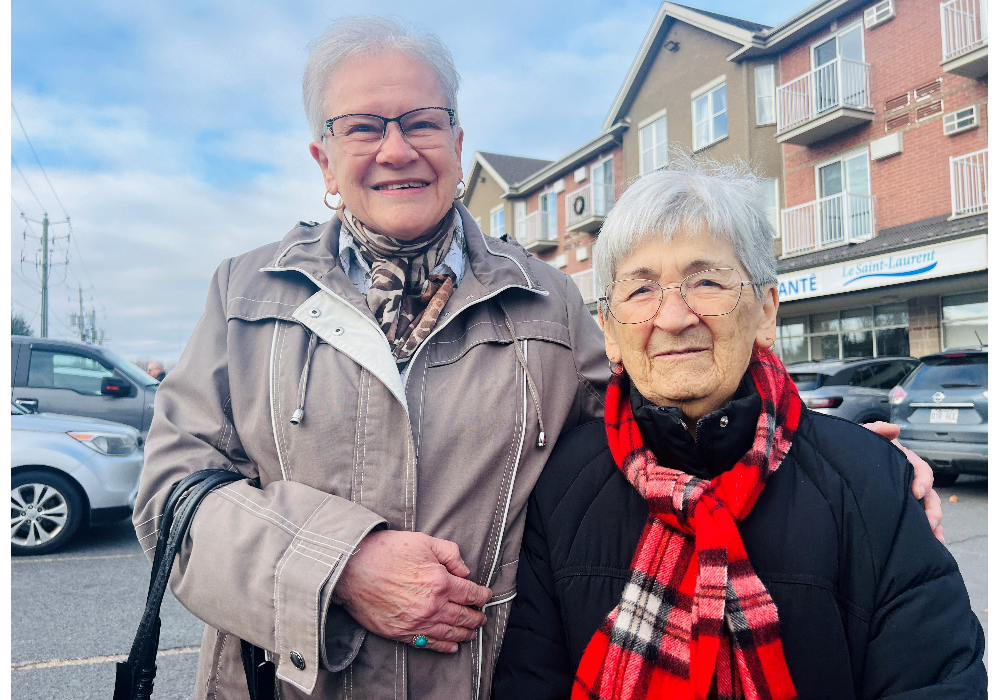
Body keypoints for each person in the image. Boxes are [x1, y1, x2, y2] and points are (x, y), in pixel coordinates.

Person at [133, 17, 943, 700]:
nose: (397, 148)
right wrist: (341, 568)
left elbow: (669, 394)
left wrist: (845, 468)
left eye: (420, 121)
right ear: (324, 160)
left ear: (455, 140)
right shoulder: (247, 296)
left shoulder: (548, 301)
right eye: (364, 127)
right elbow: (170, 501)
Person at [492, 162, 985, 700]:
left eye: (706, 281)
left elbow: (937, 680)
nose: (674, 316)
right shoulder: (560, 486)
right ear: (609, 331)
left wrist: (874, 464)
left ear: (766, 312)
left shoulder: (872, 481)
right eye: (640, 291)